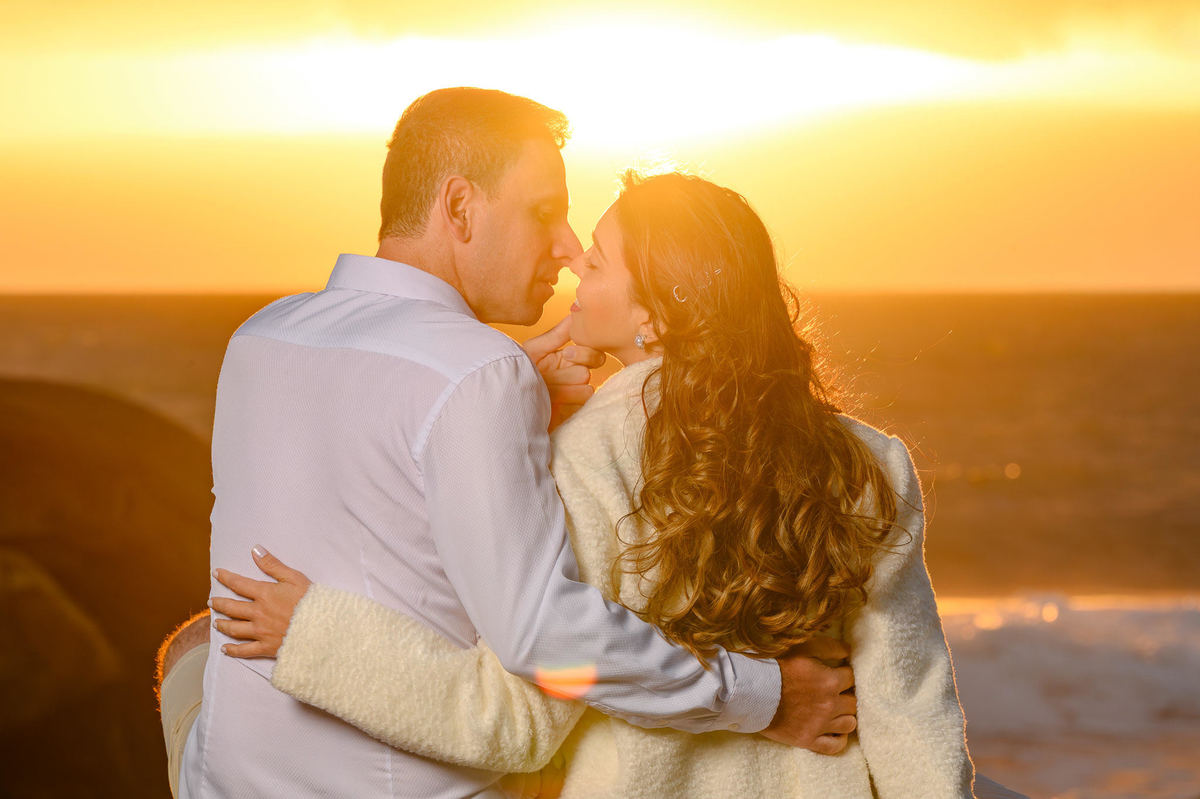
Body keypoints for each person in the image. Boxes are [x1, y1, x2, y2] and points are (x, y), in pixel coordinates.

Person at [206, 172, 1024, 798]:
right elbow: (913, 709)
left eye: (595, 263)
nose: (571, 270)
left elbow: (512, 723)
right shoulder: (868, 462)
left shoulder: (584, 461)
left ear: (655, 316)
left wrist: (317, 636)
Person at [169, 88, 858, 799]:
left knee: (192, 647)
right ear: (461, 208)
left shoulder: (261, 335)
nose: (565, 248)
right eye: (542, 213)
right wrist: (763, 697)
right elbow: (544, 641)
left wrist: (515, 386)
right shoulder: (475, 374)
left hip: (219, 780)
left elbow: (375, 430)